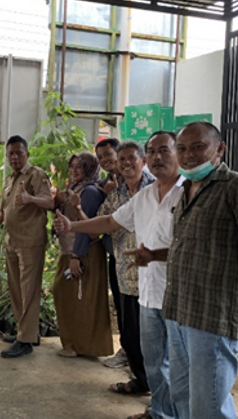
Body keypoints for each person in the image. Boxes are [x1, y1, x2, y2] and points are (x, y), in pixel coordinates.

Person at [54, 130, 182, 419]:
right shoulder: (136, 195)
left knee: (175, 359)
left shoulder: (188, 192)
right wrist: (72, 225)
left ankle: (172, 410)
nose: (126, 164)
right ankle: (159, 409)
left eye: (131, 158)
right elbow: (110, 221)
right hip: (134, 280)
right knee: (145, 349)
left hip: (176, 291)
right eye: (153, 152)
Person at [158, 122, 238, 419]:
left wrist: (236, 285)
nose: (188, 155)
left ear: (219, 149)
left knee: (208, 406)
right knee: (182, 396)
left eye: (198, 147)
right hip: (178, 311)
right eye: (182, 148)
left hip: (212, 317)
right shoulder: (185, 189)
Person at [0, 135, 53, 358]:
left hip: (30, 243)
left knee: (29, 291)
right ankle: (25, 332)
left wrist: (30, 199)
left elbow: (50, 202)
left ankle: (25, 340)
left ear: (27, 154)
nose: (15, 157)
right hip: (12, 242)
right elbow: (3, 213)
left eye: (19, 152)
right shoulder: (10, 180)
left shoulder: (36, 175)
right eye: (11, 154)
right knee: (16, 290)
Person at [97, 142, 154, 395]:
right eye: (123, 159)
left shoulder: (157, 189)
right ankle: (142, 382)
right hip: (124, 274)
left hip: (154, 278)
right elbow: (105, 220)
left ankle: (161, 397)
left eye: (132, 158)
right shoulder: (118, 194)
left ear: (143, 160)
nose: (127, 163)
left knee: (154, 340)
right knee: (130, 335)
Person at [53, 152, 112, 359]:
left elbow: (88, 227)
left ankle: (82, 346)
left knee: (81, 299)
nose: (75, 170)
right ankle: (75, 343)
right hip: (69, 250)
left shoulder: (90, 192)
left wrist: (77, 255)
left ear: (89, 169)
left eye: (80, 166)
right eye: (72, 166)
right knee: (69, 296)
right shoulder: (75, 189)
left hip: (82, 251)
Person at [95, 137, 128, 369]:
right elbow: (102, 218)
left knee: (133, 308)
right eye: (100, 158)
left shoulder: (136, 181)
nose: (105, 160)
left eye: (108, 154)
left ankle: (132, 354)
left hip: (134, 256)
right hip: (115, 254)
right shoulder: (109, 182)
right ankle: (127, 351)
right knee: (120, 303)